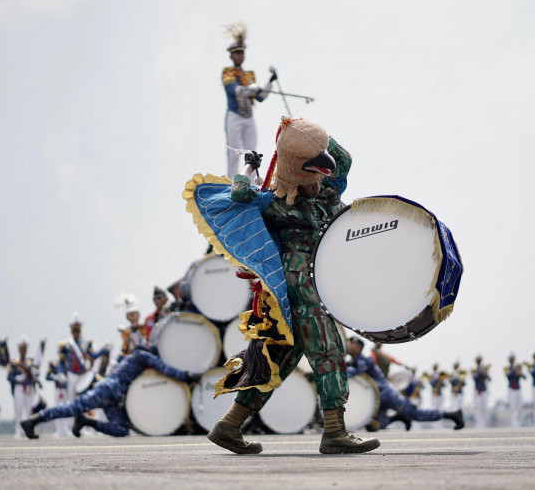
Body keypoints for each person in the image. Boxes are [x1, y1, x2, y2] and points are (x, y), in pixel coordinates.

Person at [191, 117, 380, 454]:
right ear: (295, 180)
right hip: (299, 283)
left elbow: (344, 159)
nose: (321, 183)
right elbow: (239, 193)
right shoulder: (276, 204)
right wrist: (249, 166)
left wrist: (302, 137)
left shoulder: (326, 191)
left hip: (312, 283)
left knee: (278, 360)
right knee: (328, 348)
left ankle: (229, 426)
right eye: (312, 178)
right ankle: (335, 432)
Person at [20, 347, 199, 439]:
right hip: (108, 389)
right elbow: (163, 368)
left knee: (121, 430)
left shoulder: (133, 357)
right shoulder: (141, 356)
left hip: (115, 398)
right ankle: (34, 420)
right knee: (72, 408)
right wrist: (186, 376)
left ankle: (87, 421)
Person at [347, 337, 463, 431]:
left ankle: (452, 415)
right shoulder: (353, 362)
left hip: (388, 394)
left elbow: (351, 372)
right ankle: (399, 417)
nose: (347, 346)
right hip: (377, 398)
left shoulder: (366, 360)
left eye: (350, 344)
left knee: (415, 413)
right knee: (373, 425)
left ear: (358, 347)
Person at [222, 23, 275, 178]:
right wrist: (251, 88)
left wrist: (269, 83)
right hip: (234, 115)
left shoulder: (249, 76)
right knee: (234, 151)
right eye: (237, 53)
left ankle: (251, 184)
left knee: (252, 152)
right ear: (231, 56)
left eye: (242, 52)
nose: (240, 56)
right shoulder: (228, 73)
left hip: (249, 117)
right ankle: (231, 182)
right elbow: (233, 90)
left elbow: (260, 97)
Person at [8, 335, 40, 439]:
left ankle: (27, 429)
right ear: (19, 349)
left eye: (25, 348)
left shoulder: (30, 361)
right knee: (18, 409)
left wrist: (35, 373)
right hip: (19, 387)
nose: (23, 350)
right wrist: (17, 378)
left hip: (29, 387)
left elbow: (36, 374)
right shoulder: (14, 362)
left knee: (28, 409)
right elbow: (9, 376)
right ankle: (18, 429)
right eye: (21, 348)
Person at [45, 359, 69, 436]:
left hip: (67, 389)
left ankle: (66, 429)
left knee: (67, 408)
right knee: (57, 408)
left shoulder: (69, 362)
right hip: (58, 389)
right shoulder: (54, 364)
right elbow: (47, 376)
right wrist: (55, 377)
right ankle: (58, 430)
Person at [505, 353, 525, 427]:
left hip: (518, 389)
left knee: (519, 406)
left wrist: (518, 371)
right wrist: (513, 370)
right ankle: (513, 423)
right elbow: (508, 376)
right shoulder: (507, 368)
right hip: (511, 389)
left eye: (513, 359)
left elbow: (524, 377)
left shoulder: (518, 368)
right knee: (513, 407)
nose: (512, 360)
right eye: (511, 359)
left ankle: (518, 422)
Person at [472, 354, 490, 428]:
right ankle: (478, 424)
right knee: (478, 408)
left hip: (484, 390)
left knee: (484, 408)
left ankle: (484, 424)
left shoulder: (484, 369)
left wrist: (485, 373)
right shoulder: (474, 370)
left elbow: (489, 379)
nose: (479, 361)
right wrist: (480, 372)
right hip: (478, 391)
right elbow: (474, 378)